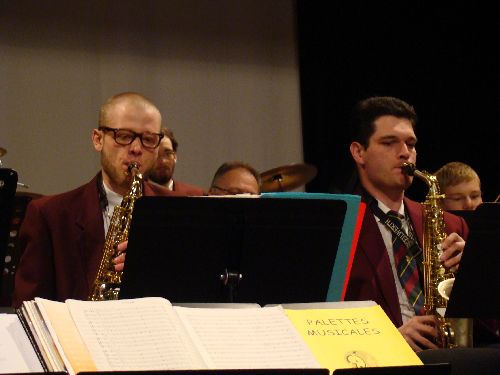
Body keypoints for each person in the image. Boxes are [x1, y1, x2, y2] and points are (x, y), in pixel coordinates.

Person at [11, 92, 187, 307]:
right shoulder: (49, 215)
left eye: (148, 139)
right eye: (123, 136)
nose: (136, 148)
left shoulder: (181, 211)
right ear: (98, 139)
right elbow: (29, 308)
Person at [344, 96, 469, 352]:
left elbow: (488, 323)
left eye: (410, 144)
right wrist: (389, 338)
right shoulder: (338, 228)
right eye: (389, 143)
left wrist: (474, 275)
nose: (405, 153)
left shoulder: (452, 224)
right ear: (359, 152)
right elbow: (323, 320)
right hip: (378, 359)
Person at [148, 127, 205, 195]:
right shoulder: (136, 195)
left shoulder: (196, 195)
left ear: (175, 156)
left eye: (168, 154)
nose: (163, 161)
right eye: (156, 155)